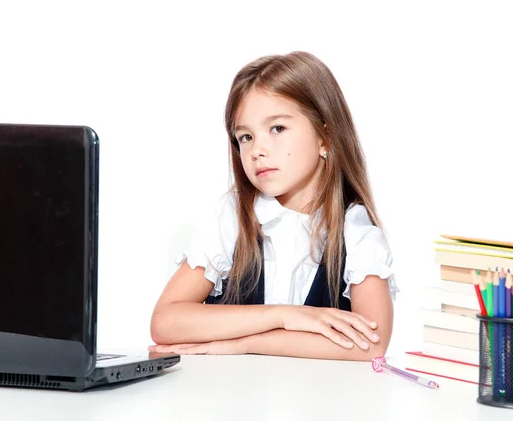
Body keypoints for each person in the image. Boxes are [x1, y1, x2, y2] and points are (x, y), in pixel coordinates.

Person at [149, 51, 398, 360]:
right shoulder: (234, 215)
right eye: (246, 137)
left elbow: (370, 344)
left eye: (277, 128)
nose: (258, 150)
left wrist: (245, 343)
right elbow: (165, 322)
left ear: (326, 137)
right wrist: (282, 315)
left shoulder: (355, 230)